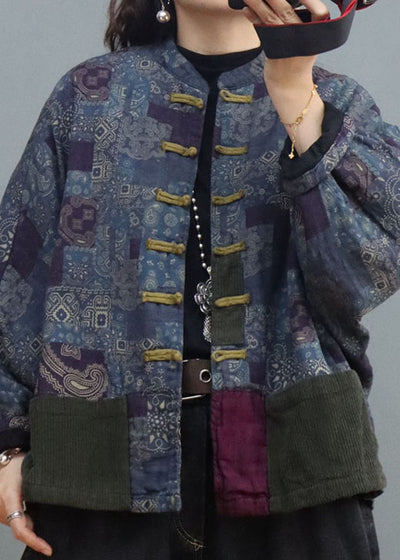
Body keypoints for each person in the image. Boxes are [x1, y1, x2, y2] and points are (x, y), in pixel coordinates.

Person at [0, 0, 399, 558]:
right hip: (103, 471)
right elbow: (15, 277)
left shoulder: (338, 103)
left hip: (296, 471)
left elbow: (361, 276)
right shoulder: (88, 96)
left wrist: (295, 97)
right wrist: (7, 443)